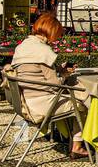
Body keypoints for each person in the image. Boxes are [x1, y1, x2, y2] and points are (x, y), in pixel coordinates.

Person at [10, 13, 85, 155]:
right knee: (83, 104)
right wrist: (64, 74)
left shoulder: (24, 46)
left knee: (73, 99)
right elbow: (55, 85)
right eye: (58, 34)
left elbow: (35, 71)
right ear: (52, 31)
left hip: (25, 101)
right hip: (42, 104)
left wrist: (58, 69)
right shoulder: (43, 51)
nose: (58, 38)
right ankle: (77, 145)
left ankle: (67, 136)